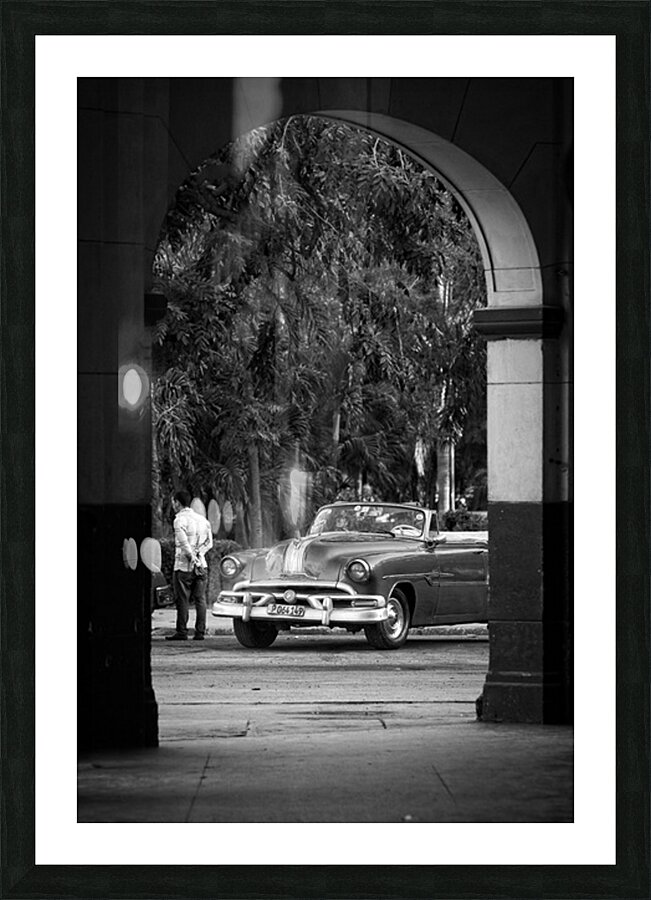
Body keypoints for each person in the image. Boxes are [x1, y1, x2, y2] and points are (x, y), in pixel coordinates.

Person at [166, 490, 213, 641]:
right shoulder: (203, 520)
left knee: (182, 599)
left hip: (183, 566)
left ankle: (182, 631)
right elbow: (209, 543)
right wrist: (199, 555)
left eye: (173, 502)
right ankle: (200, 632)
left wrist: (192, 558)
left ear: (177, 503)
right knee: (200, 599)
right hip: (202, 566)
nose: (173, 505)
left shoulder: (179, 520)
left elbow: (184, 544)